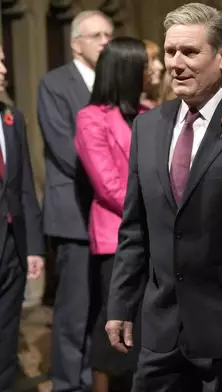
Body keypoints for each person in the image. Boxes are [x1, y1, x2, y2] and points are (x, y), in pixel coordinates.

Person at [105, 3, 222, 391]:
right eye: (170, 51)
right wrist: (121, 306)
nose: (177, 62)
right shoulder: (148, 127)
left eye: (190, 52)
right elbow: (135, 228)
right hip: (160, 332)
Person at [37, 10, 113, 392]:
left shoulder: (110, 83)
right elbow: (64, 149)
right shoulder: (54, 83)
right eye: (96, 36)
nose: (104, 42)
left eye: (108, 35)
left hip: (108, 214)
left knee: (102, 309)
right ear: (75, 43)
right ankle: (68, 384)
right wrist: (112, 178)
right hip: (75, 213)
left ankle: (95, 378)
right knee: (72, 311)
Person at [74, 36, 150, 392]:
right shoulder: (92, 118)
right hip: (115, 237)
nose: (155, 70)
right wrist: (159, 210)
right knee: (114, 324)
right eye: (146, 64)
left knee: (150, 326)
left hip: (156, 237)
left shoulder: (151, 113)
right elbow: (107, 186)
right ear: (127, 69)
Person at [0, 44, 45, 391]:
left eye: (3, 61)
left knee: (7, 330)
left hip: (11, 250)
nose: (4, 70)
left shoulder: (12, 120)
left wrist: (33, 248)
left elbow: (25, 188)